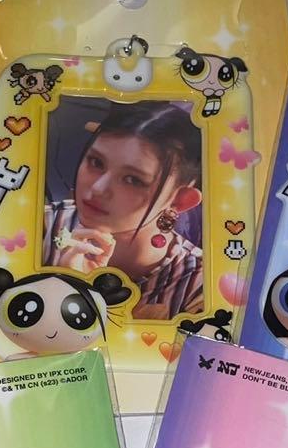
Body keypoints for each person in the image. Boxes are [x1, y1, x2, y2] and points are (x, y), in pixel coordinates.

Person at [43, 101, 204, 320]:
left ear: (180, 200)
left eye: (133, 180)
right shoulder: (38, 227)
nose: (98, 188)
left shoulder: (200, 287)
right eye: (96, 162)